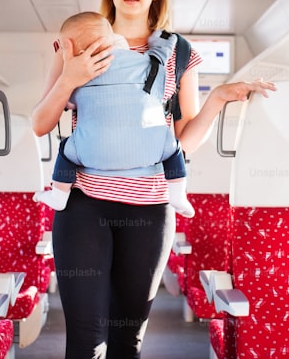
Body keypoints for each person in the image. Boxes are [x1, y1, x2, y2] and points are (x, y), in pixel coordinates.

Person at [31, 0, 276, 359]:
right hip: (83, 205)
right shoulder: (77, 41)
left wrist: (218, 97)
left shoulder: (178, 52)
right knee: (86, 340)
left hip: (149, 210)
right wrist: (70, 77)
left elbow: (182, 142)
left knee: (127, 341)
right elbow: (39, 123)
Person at [33, 11, 195, 217]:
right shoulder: (153, 59)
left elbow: (70, 105)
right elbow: (160, 85)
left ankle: (58, 193)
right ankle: (178, 194)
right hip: (147, 160)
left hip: (90, 157)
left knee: (66, 148)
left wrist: (70, 81)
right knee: (173, 149)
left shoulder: (75, 70)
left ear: (69, 47)